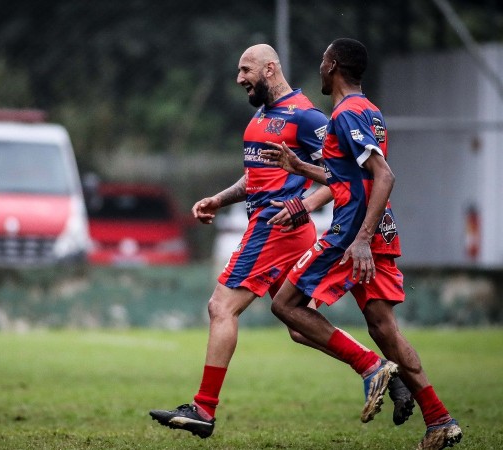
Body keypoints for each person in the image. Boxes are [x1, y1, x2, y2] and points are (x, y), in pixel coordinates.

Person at [148, 44, 411, 439]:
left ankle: (203, 408)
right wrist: (220, 199)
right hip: (275, 226)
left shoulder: (306, 115)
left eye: (245, 70)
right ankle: (377, 370)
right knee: (296, 324)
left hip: (275, 228)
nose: (239, 79)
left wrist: (303, 204)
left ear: (270, 69)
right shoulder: (261, 116)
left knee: (221, 306)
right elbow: (254, 176)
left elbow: (340, 174)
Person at [260, 38, 462, 450]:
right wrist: (302, 168)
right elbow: (352, 180)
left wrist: (362, 241)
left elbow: (383, 176)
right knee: (384, 328)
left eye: (321, 60)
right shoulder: (369, 110)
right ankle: (440, 420)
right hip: (376, 231)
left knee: (285, 305)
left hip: (352, 235)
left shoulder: (347, 113)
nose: (318, 67)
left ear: (332, 65)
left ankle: (372, 368)